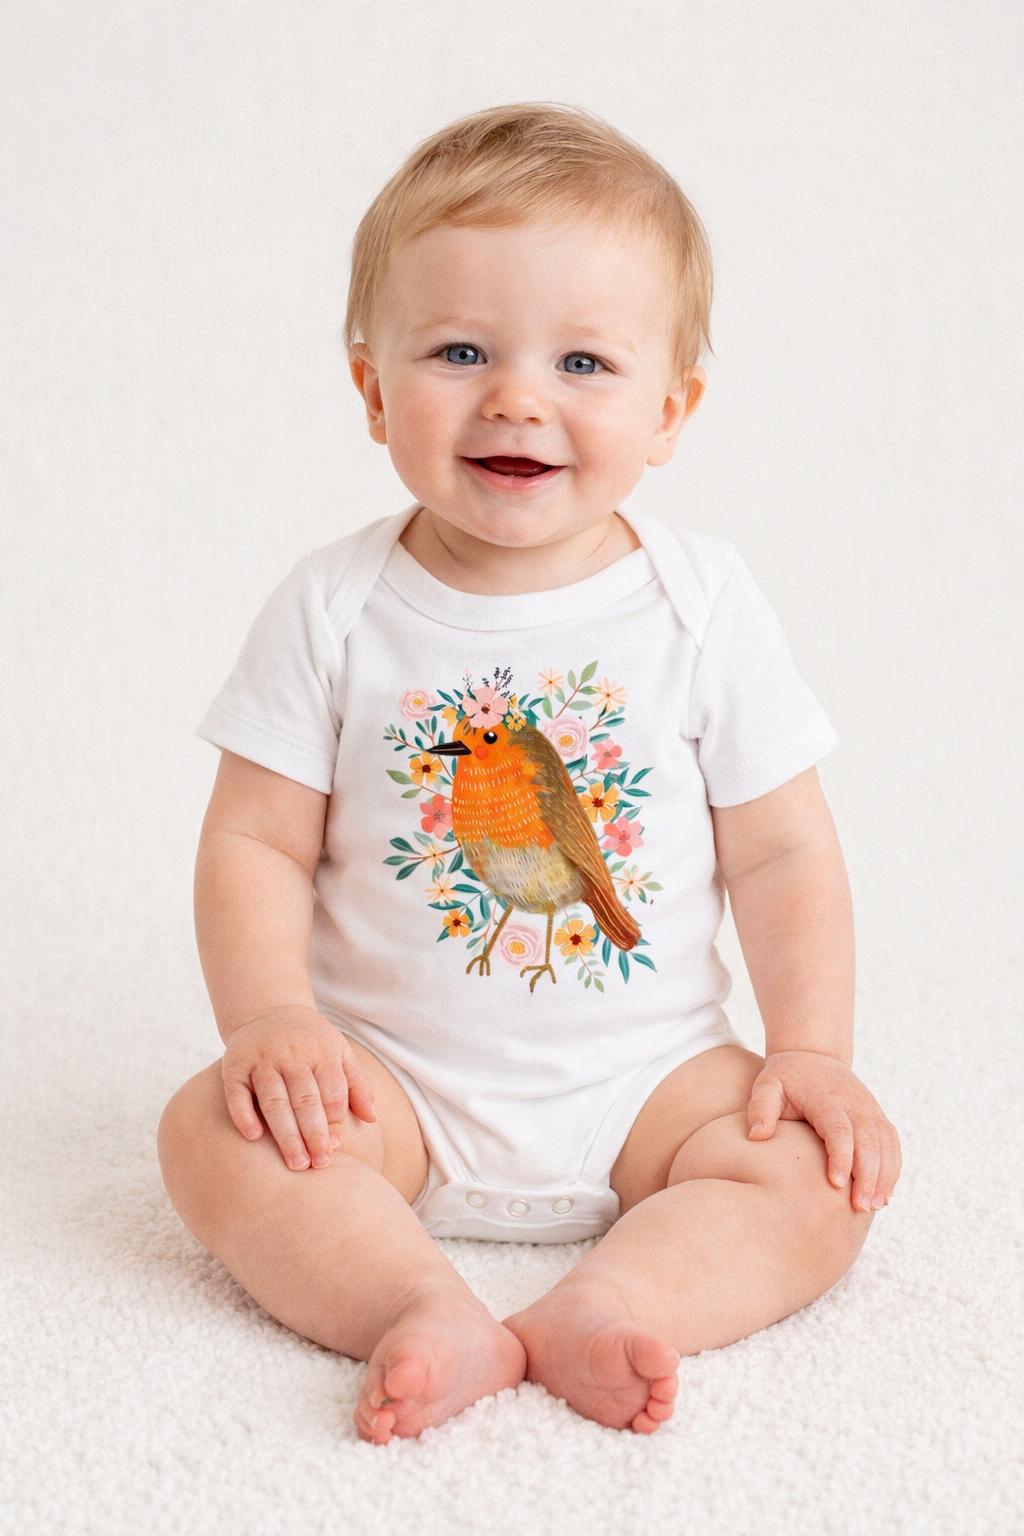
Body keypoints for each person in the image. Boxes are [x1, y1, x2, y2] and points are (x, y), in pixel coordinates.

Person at [156, 101, 901, 1445]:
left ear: (670, 411)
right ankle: (416, 1304)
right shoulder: (334, 607)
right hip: (386, 1083)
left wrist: (809, 1053)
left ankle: (619, 1299)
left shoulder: (701, 605)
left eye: (584, 362)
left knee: (816, 1173)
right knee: (210, 1134)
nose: (517, 397)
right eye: (460, 351)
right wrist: (270, 1022)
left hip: (653, 1082)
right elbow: (255, 839)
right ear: (372, 390)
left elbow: (783, 848)